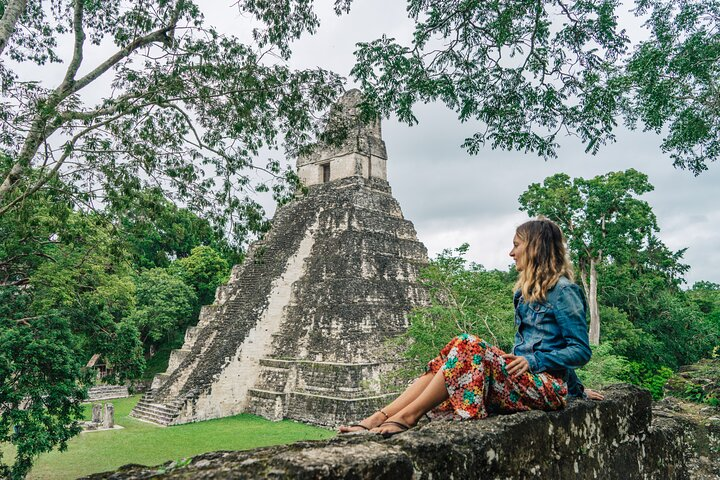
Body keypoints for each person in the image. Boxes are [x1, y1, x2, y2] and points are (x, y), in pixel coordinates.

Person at [340, 218, 597, 436]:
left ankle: (408, 417)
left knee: (467, 343)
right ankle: (378, 417)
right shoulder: (523, 294)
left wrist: (535, 362)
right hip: (525, 382)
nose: (511, 253)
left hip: (545, 387)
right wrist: (579, 389)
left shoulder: (564, 292)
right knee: (453, 352)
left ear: (535, 248)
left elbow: (580, 350)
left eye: (516, 246)